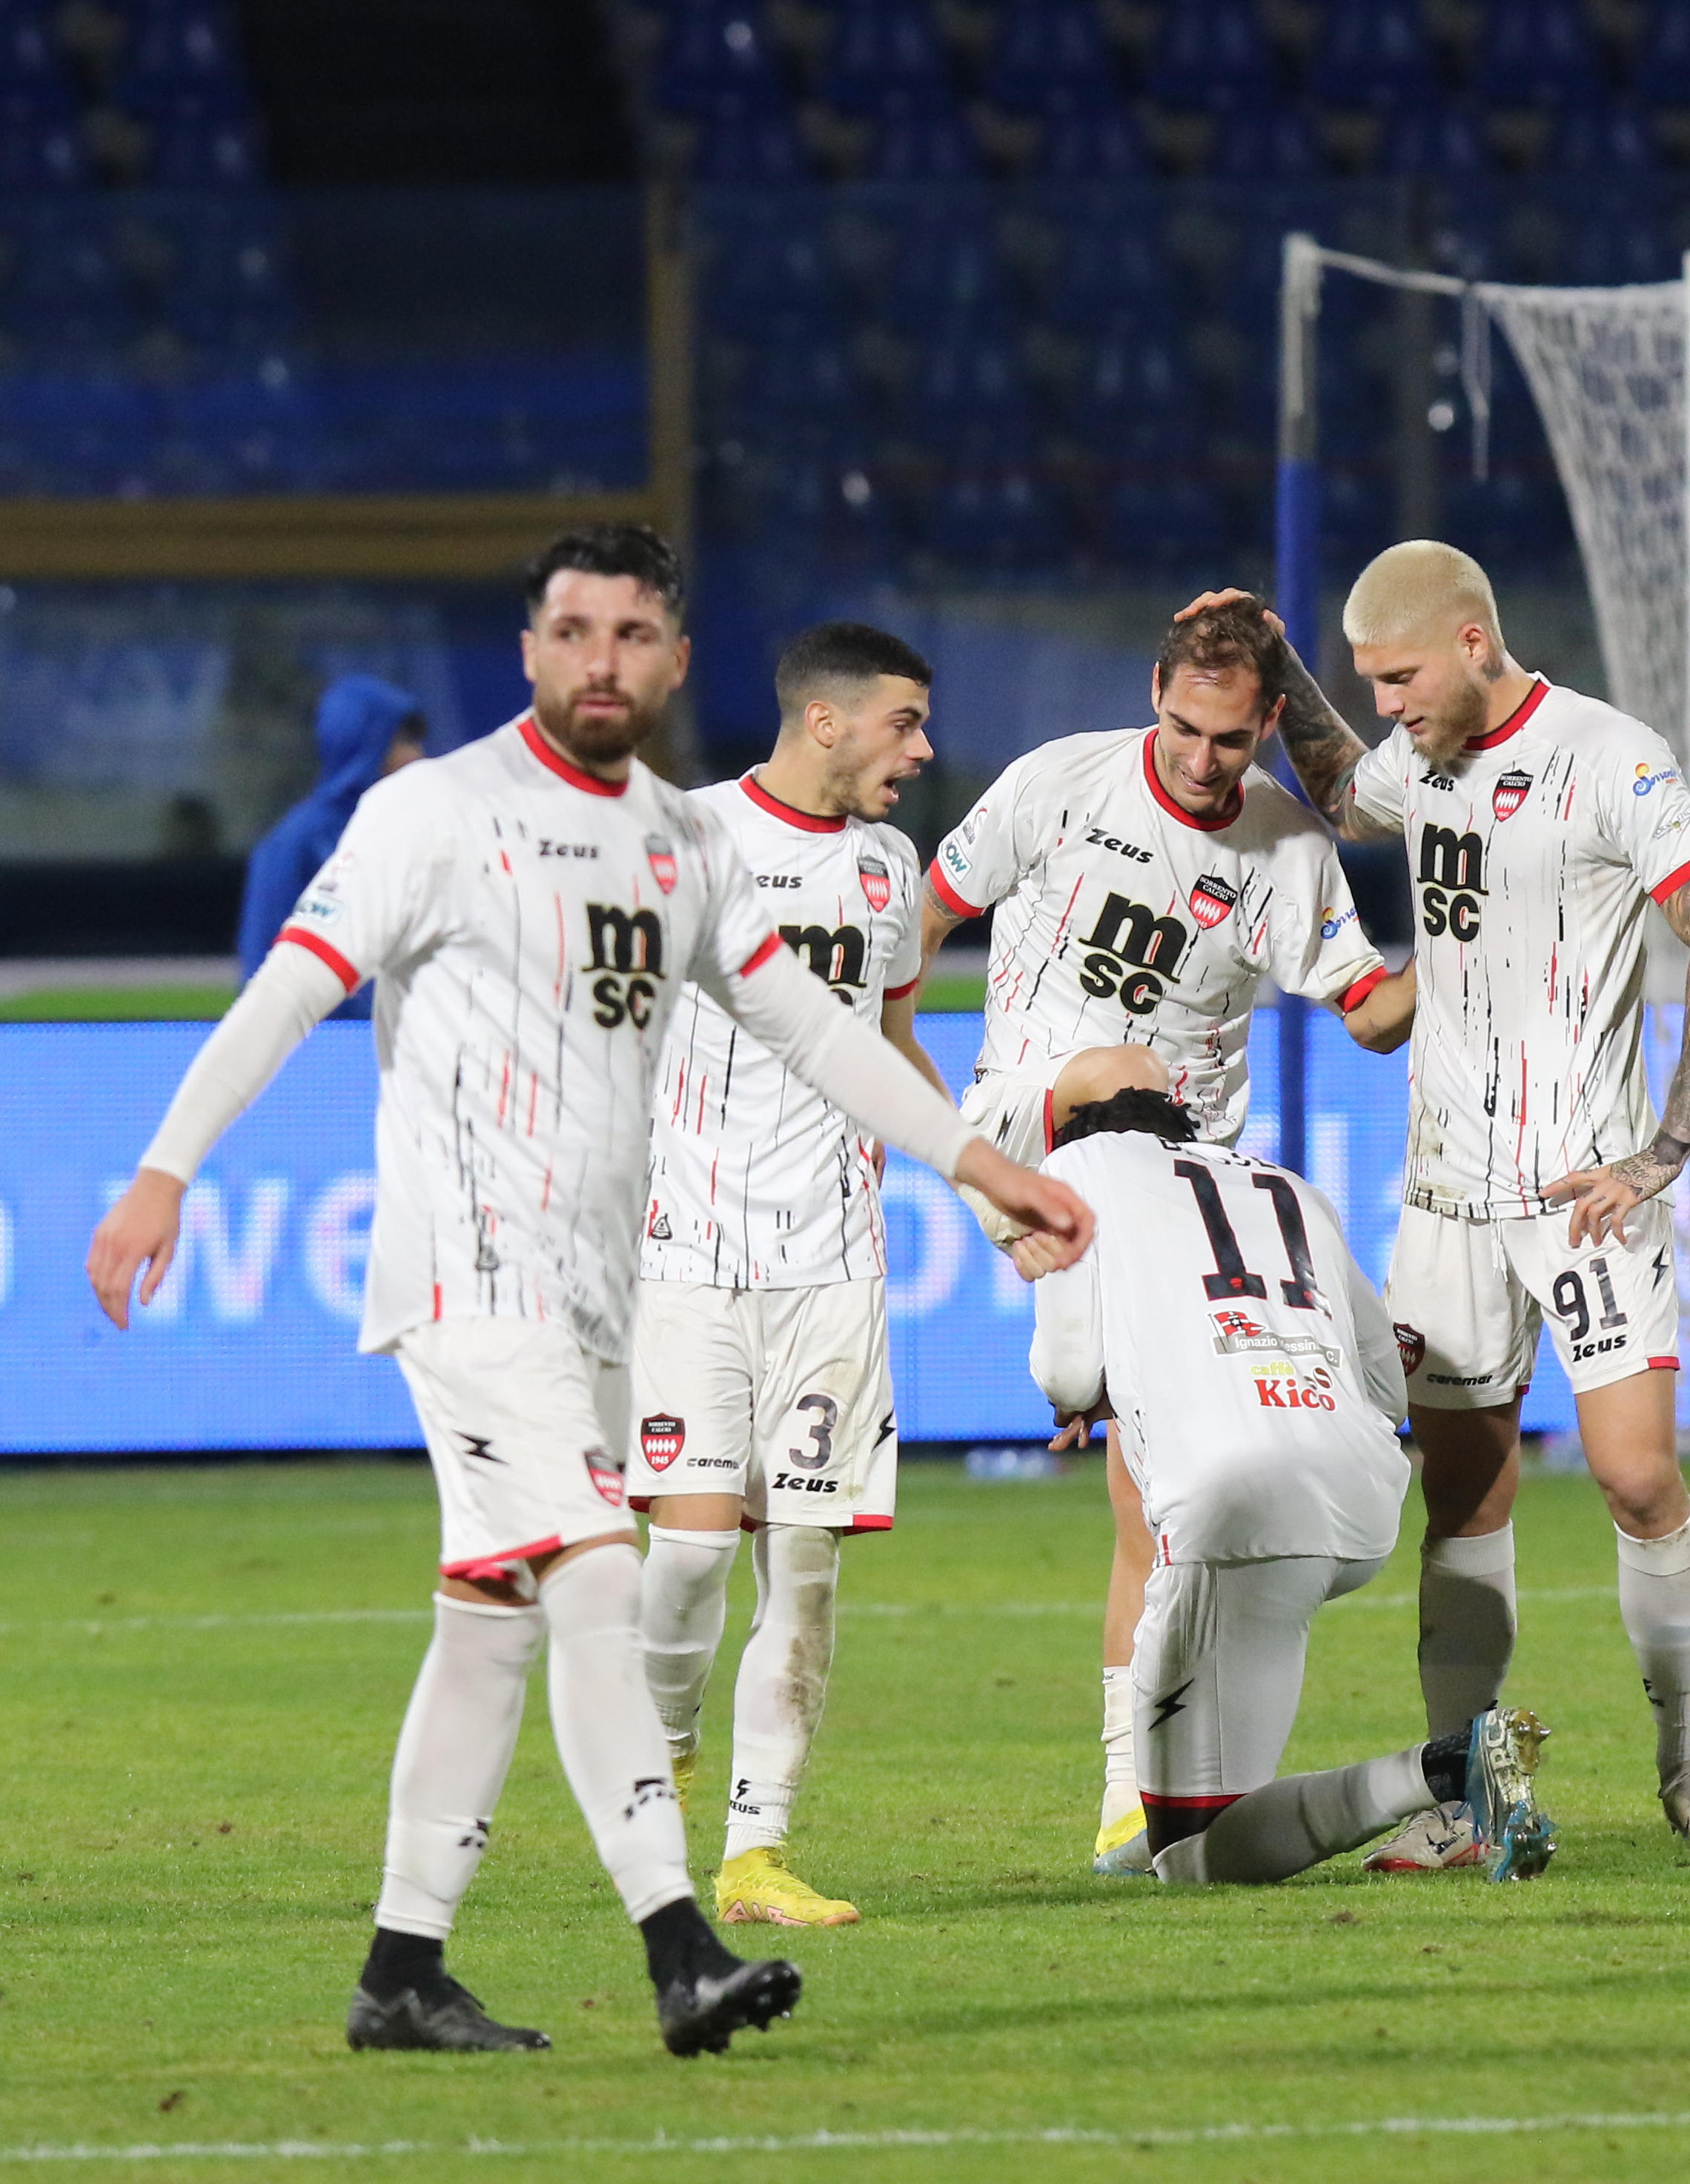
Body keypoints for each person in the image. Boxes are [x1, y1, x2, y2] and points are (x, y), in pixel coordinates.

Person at [84, 525, 1092, 2057]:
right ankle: (679, 1943)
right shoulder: (436, 812)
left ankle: (401, 1972)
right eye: (573, 630)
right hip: (465, 1278)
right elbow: (289, 986)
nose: (600, 660)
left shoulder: (679, 846)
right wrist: (163, 1169)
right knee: (599, 1576)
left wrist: (974, 1162)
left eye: (632, 634)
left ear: (674, 661)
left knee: (489, 1622)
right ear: (531, 650)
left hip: (597, 1298)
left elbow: (817, 1037)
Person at [1264, 539, 1690, 1873]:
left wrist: (1659, 1152)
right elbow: (1338, 788)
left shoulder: (1613, 758)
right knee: (1462, 1503)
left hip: (1580, 1191)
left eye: (1399, 676)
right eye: (1368, 681)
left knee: (1636, 1475)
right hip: (1442, 1195)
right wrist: (1279, 666)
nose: (1385, 706)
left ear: (1474, 639)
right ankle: (1463, 1791)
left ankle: (1688, 1762)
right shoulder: (1418, 759)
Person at [917, 589, 1414, 1876]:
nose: (1205, 763)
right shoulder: (1059, 787)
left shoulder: (1284, 853)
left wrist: (1483, 932)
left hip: (1166, 1172)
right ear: (1154, 693)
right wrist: (903, 1087)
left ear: (1262, 726)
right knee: (1111, 1066)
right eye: (1188, 731)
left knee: (1153, 1501)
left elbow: (1371, 1013)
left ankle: (1133, 1795)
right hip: (1040, 1120)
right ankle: (1138, 1787)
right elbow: (915, 926)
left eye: (1232, 742)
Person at [1027, 1048, 1556, 1885]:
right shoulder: (1287, 1184)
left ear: (1067, 1129)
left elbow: (1063, 1372)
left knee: (1196, 1859)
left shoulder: (1072, 1168)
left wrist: (1110, 1386)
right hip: (1358, 1495)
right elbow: (1386, 1385)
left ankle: (1449, 1769)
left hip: (1230, 1505)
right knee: (1191, 1827)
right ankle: (1447, 1771)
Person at [628, 620, 952, 1932]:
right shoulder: (683, 839)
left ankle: (755, 1855)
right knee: (691, 1560)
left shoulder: (889, 868)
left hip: (832, 1263)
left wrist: (987, 1179)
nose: (923, 750)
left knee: (804, 1567)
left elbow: (890, 1045)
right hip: (689, 1252)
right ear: (826, 721)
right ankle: (664, 1726)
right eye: (904, 723)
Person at [235, 673, 425, 1020]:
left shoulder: (419, 833)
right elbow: (262, 977)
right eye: (401, 741)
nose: (416, 755)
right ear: (362, 743)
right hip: (330, 1054)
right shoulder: (295, 845)